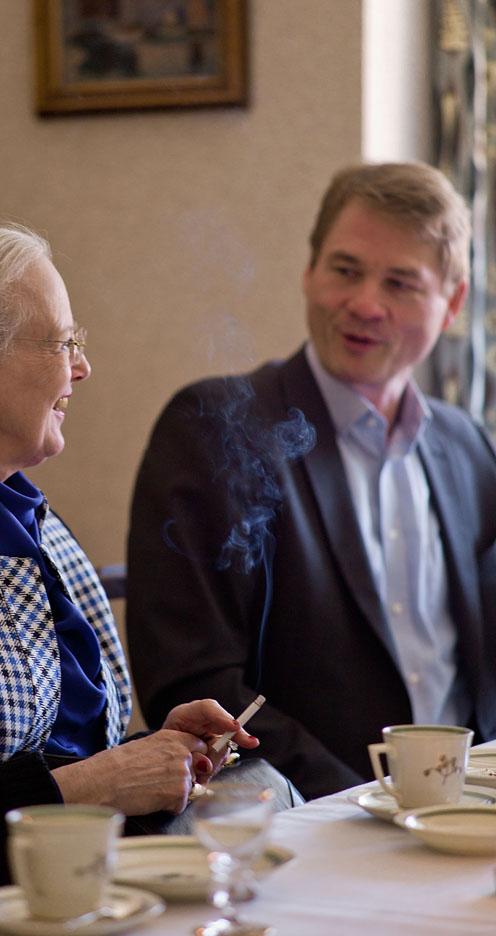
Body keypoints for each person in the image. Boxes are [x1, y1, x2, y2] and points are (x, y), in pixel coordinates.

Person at [0, 219, 261, 935]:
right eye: (63, 342)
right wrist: (88, 788)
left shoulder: (39, 527)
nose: (82, 368)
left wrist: (149, 759)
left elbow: (58, 750)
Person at [126, 161, 496, 802]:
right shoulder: (216, 428)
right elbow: (192, 682)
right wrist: (361, 803)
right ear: (310, 269)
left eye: (401, 283)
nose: (364, 304)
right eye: (345, 270)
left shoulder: (470, 449)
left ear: (453, 305)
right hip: (306, 820)